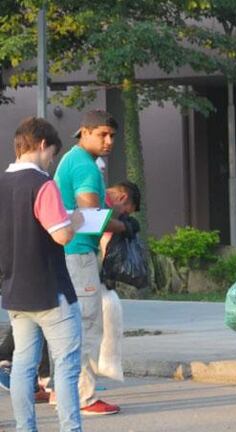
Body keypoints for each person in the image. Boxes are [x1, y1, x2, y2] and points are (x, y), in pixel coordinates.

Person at [0, 117, 85, 431]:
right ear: (40, 145)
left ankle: (25, 427)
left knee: (22, 366)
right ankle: (70, 428)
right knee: (66, 367)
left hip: (14, 291)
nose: (52, 161)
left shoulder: (2, 183)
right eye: (52, 154)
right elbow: (61, 235)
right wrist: (75, 220)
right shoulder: (42, 184)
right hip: (51, 292)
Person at [53, 110, 136, 416]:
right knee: (86, 324)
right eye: (102, 134)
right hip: (78, 252)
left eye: (112, 135)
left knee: (66, 324)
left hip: (65, 251)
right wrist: (125, 227)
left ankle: (59, 391)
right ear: (84, 132)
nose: (109, 141)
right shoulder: (85, 167)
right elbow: (90, 217)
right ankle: (85, 397)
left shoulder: (72, 160)